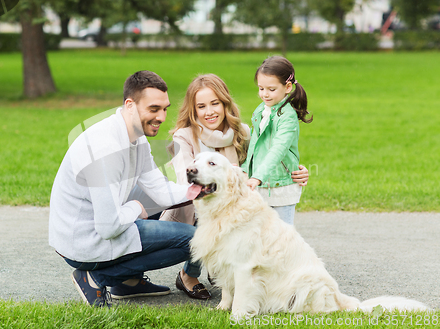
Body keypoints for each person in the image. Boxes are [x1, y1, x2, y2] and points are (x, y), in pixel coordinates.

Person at [49, 71, 210, 308]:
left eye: (165, 108)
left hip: (101, 221)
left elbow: (157, 187)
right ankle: (95, 278)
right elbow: (108, 227)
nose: (162, 116)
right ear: (130, 105)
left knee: (149, 196)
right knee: (194, 241)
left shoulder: (135, 135)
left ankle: (128, 282)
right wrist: (135, 208)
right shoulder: (106, 149)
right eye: (154, 109)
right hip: (83, 241)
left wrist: (196, 191)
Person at [160, 74, 309, 286]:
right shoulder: (183, 136)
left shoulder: (242, 133)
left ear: (225, 103)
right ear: (193, 111)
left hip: (231, 209)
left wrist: (297, 170)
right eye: (201, 106)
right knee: (207, 222)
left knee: (249, 222)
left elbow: (269, 159)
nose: (209, 111)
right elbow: (185, 177)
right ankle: (189, 274)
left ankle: (227, 267)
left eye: (215, 103)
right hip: (194, 205)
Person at [242, 56, 313, 225]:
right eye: (261, 88)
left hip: (281, 185)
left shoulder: (287, 116)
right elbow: (254, 144)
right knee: (260, 233)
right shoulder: (261, 109)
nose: (264, 94)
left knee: (282, 235)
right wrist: (246, 170)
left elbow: (278, 149)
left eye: (271, 89)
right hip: (261, 184)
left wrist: (257, 177)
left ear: (288, 87)